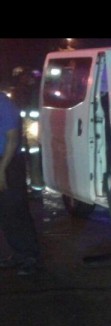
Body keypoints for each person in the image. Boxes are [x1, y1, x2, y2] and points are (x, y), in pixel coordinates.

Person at [0, 91, 41, 275]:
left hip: (8, 163)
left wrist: (2, 169)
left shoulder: (4, 104)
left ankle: (29, 256)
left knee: (15, 210)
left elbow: (13, 137)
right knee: (5, 213)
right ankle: (18, 253)